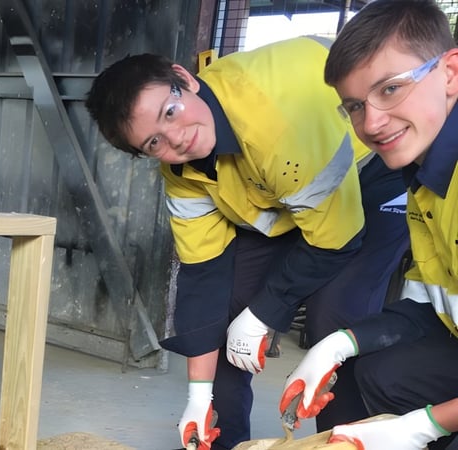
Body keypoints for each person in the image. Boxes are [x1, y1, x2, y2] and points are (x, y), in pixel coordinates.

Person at [84, 36, 411, 449]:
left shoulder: (274, 125)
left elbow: (336, 241)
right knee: (227, 311)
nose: (176, 138)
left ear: (185, 80)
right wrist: (198, 397)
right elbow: (203, 276)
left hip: (371, 168)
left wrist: (263, 314)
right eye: (153, 142)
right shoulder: (182, 174)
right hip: (285, 191)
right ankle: (222, 441)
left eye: (170, 111)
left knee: (334, 321)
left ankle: (344, 442)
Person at [279, 1, 458, 449]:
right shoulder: (424, 178)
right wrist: (337, 345)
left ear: (450, 73)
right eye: (355, 106)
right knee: (378, 372)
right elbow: (428, 307)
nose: (372, 123)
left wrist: (425, 426)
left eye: (392, 89)